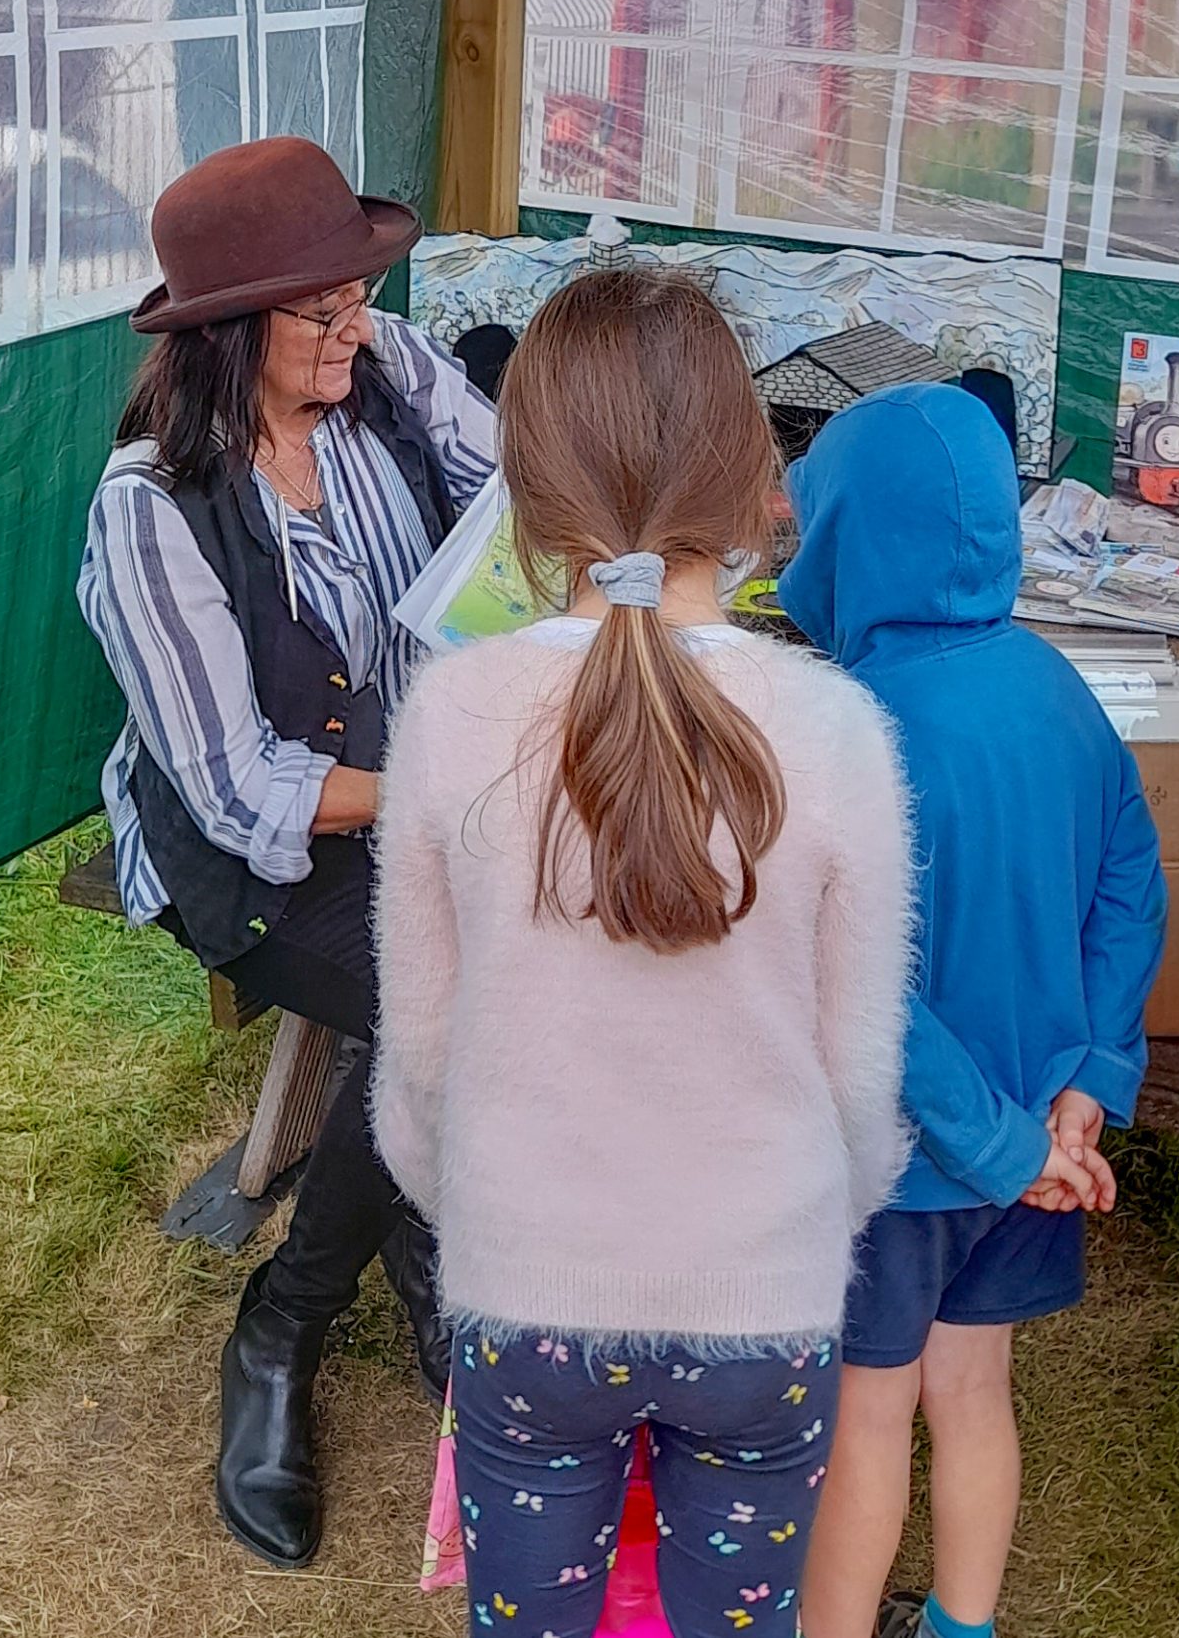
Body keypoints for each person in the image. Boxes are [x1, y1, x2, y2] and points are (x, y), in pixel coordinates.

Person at [368, 268, 913, 1638]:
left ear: (525, 479)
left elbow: (419, 1064)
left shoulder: (452, 711)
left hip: (523, 1289)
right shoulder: (838, 728)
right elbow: (860, 1086)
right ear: (752, 477)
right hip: (767, 1303)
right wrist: (801, 1220)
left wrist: (481, 1208)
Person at [74, 136, 496, 1568]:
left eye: (361, 294)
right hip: (263, 861)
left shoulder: (386, 369)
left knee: (516, 953)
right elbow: (243, 783)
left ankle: (420, 1233)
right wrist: (449, 779)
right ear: (221, 335)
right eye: (320, 312)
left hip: (423, 800)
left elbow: (522, 500)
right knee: (453, 998)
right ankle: (282, 1327)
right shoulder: (153, 510)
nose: (355, 327)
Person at [778, 384, 1168, 1638]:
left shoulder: (848, 727)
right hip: (1043, 1142)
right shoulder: (1056, 683)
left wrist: (998, 1140)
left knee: (867, 1415)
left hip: (910, 1159)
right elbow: (1133, 887)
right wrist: (1089, 1079)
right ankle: (961, 1621)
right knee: (976, 1388)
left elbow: (862, 984)